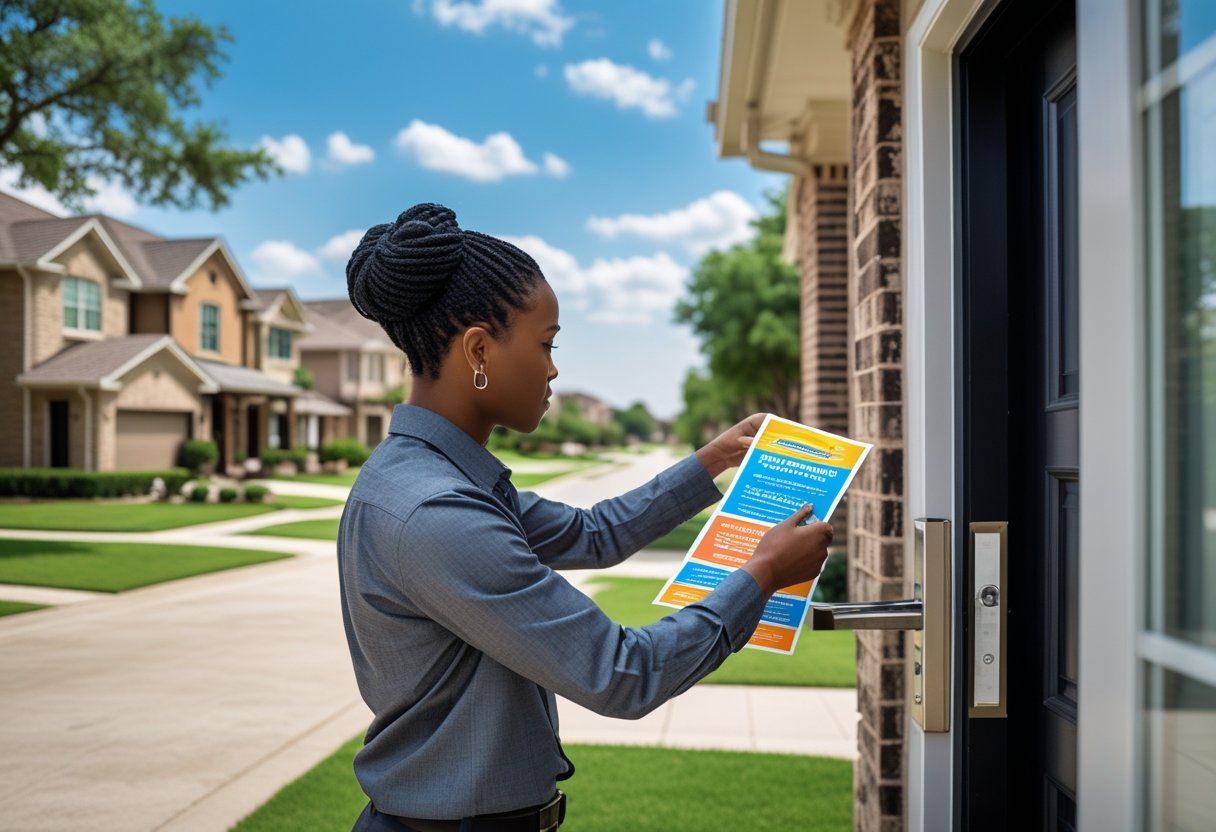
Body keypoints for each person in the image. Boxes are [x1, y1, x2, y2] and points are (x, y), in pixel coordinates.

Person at [338, 203, 835, 832]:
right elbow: (625, 673)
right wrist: (762, 575)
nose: (552, 370)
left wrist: (714, 460)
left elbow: (594, 534)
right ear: (479, 349)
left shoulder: (441, 478)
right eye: (545, 345)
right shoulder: (438, 512)